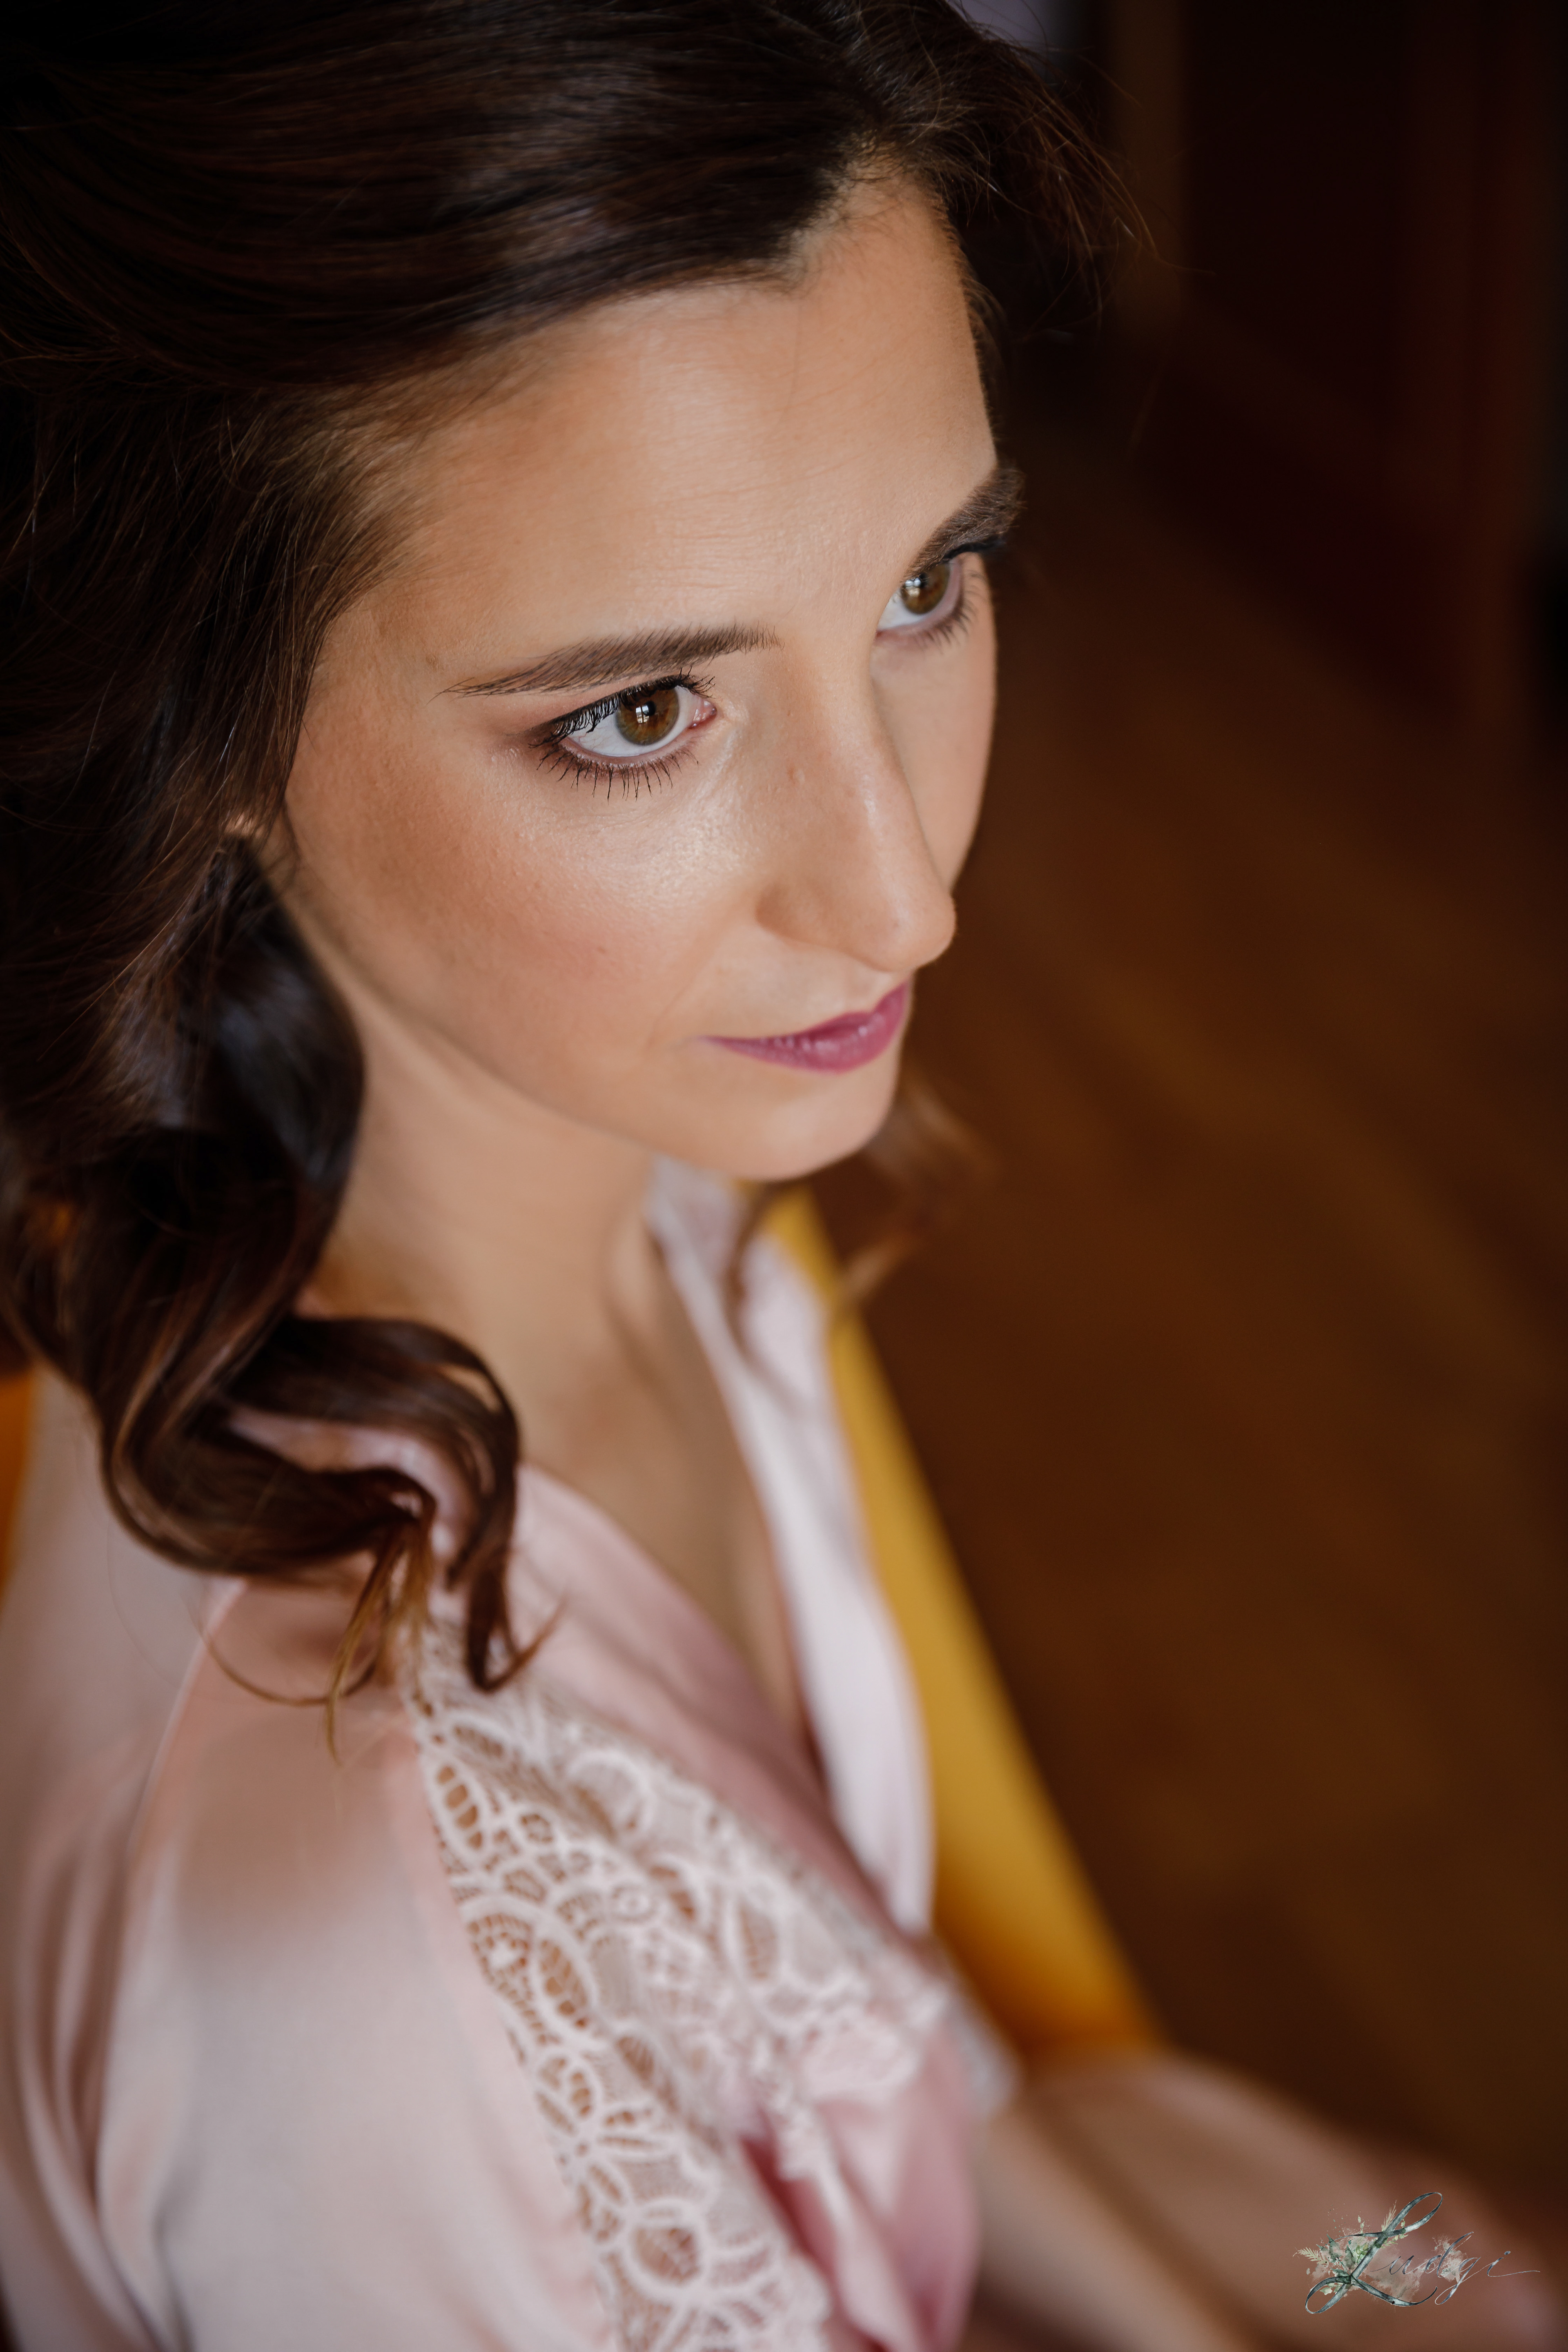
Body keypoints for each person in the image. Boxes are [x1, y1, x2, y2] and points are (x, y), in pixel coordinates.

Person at [0, 9, 1560, 2352]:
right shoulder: (367, 2005)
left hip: (1051, 2180)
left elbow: (910, 2070)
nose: (901, 898)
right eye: (642, 714)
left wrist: (1320, 2306)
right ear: (193, 726)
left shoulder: (662, 1181)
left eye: (932, 583)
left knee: (1455, 2263)